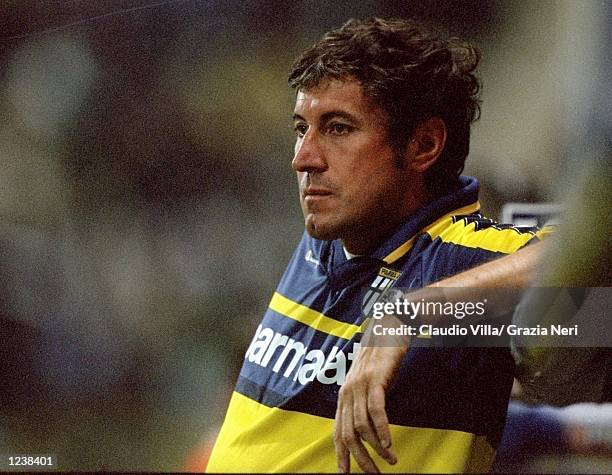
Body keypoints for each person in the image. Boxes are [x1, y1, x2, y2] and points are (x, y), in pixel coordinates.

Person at [205, 18, 550, 473]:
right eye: (300, 128)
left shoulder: (460, 256)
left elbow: (590, 269)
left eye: (338, 128)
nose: (303, 158)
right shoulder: (326, 237)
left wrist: (408, 313)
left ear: (423, 145)